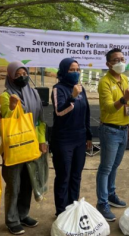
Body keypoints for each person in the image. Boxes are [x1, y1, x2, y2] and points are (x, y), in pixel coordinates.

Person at [0, 61, 47, 235]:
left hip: (32, 145)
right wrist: (12, 107)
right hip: (14, 145)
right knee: (14, 184)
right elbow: (6, 120)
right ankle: (12, 220)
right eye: (17, 75)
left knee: (28, 182)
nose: (22, 77)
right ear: (10, 77)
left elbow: (40, 120)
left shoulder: (33, 93)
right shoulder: (5, 96)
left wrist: (42, 141)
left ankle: (23, 214)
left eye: (24, 74)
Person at [51, 58, 93, 217]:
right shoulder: (58, 89)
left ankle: (73, 209)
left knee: (76, 175)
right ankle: (61, 213)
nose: (76, 73)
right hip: (63, 140)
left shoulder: (81, 88)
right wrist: (72, 97)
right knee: (64, 176)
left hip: (80, 138)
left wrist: (89, 135)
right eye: (71, 70)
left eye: (77, 70)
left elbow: (86, 113)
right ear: (63, 71)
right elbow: (59, 112)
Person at [96, 48, 129, 222]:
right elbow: (109, 108)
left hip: (123, 129)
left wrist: (128, 125)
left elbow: (125, 109)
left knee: (115, 165)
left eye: (122, 59)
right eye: (116, 60)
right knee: (105, 168)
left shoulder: (124, 78)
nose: (120, 62)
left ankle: (111, 194)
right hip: (110, 130)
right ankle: (102, 202)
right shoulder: (104, 82)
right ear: (108, 64)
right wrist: (124, 99)